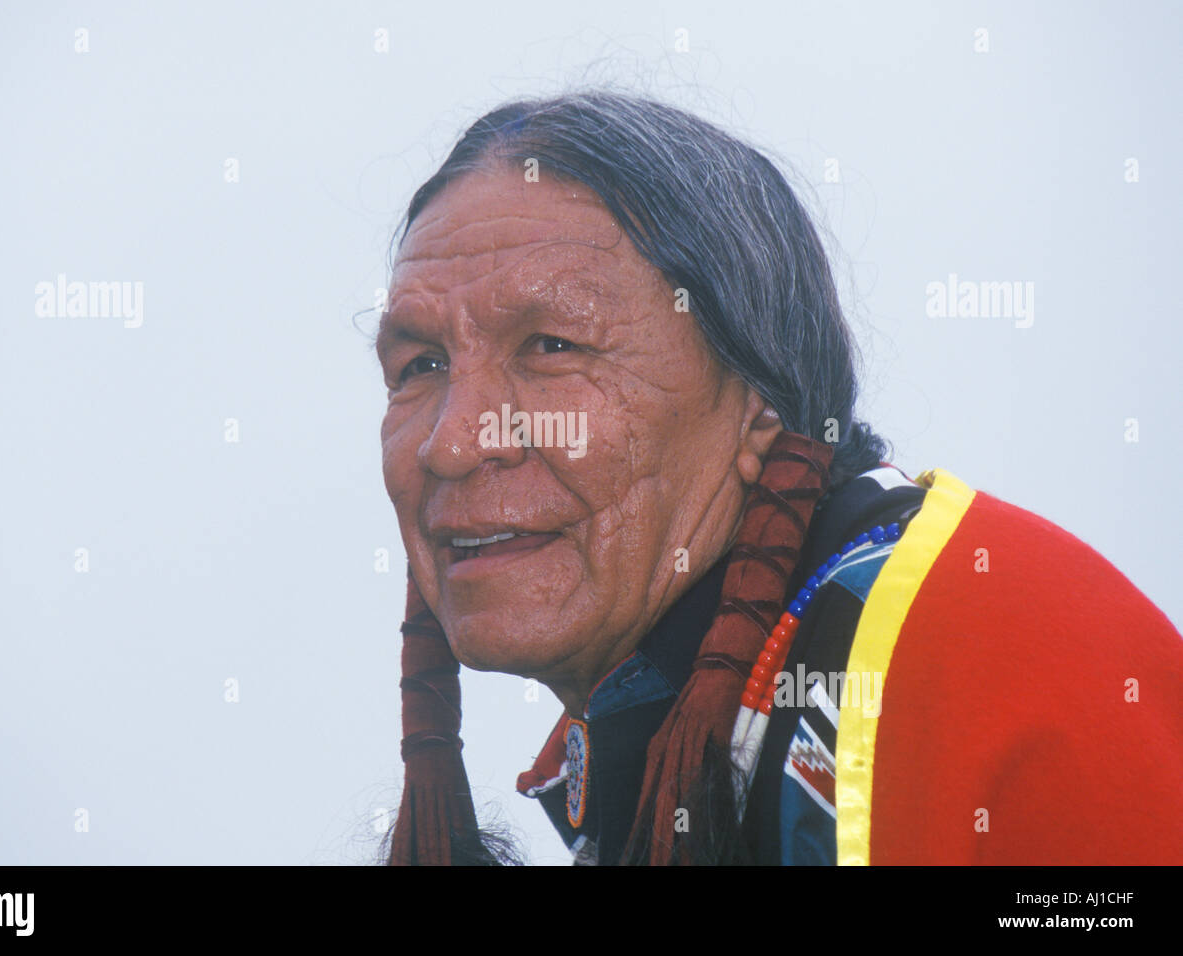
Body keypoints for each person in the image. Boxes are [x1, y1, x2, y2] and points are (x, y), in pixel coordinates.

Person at [374, 90, 1183, 865]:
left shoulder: (997, 641)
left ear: (758, 402)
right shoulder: (651, 740)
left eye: (552, 347)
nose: (451, 443)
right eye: (421, 364)